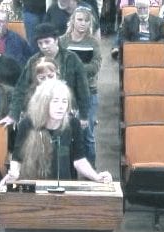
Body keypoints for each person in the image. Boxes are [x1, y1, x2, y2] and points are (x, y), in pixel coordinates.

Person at [0, 79, 112, 185]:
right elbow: (17, 158)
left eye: (64, 102)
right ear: (44, 103)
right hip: (33, 184)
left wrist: (96, 177)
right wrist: (14, 174)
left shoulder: (73, 124)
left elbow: (79, 159)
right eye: (55, 101)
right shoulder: (27, 124)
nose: (60, 106)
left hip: (64, 186)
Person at [0, 23, 90, 128]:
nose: (44, 46)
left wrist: (84, 116)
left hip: (66, 111)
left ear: (56, 40)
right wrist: (13, 115)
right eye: (40, 43)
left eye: (47, 42)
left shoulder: (72, 59)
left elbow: (83, 89)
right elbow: (21, 89)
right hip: (40, 111)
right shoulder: (33, 61)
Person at [60, 6, 101, 168]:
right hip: (67, 94)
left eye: (86, 20)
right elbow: (60, 66)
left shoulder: (93, 42)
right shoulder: (63, 41)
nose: (83, 23)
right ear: (73, 21)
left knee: (87, 135)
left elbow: (95, 66)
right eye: (79, 19)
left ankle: (91, 170)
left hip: (89, 93)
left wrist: (74, 68)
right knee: (66, 132)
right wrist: (79, 69)